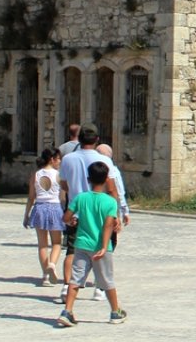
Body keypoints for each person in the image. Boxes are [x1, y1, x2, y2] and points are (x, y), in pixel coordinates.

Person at [56, 161, 126, 327]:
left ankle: (68, 311)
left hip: (81, 244)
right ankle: (115, 311)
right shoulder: (110, 202)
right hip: (100, 247)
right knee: (107, 280)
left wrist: (73, 221)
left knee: (76, 279)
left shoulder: (81, 198)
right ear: (106, 180)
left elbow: (66, 217)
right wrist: (103, 246)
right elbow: (108, 224)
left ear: (88, 179)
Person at [58, 126, 122, 302]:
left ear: (79, 140)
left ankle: (67, 286)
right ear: (97, 140)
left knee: (72, 248)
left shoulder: (68, 159)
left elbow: (63, 184)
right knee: (103, 247)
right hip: (102, 209)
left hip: (77, 209)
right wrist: (118, 214)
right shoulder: (104, 160)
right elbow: (113, 188)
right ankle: (100, 287)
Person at [24, 148, 64, 286]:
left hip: (39, 207)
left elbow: (31, 197)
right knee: (57, 243)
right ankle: (52, 264)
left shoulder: (36, 175)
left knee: (42, 245)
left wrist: (26, 215)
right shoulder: (58, 175)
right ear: (52, 159)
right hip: (54, 207)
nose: (59, 161)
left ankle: (45, 276)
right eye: (58, 159)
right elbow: (63, 196)